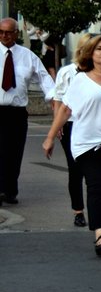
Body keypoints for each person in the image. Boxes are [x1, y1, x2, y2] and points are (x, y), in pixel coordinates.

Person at [41, 34, 101, 256]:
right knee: (96, 185)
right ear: (90, 53)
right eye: (99, 48)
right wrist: (50, 137)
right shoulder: (81, 80)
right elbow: (65, 109)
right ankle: (100, 234)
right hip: (88, 143)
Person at [0, 17, 55, 204]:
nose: (4, 36)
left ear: (16, 33)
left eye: (8, 32)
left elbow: (44, 78)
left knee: (14, 152)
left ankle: (10, 190)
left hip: (17, 113)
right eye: (1, 32)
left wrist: (54, 99)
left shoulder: (28, 56)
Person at [49, 59, 86, 226]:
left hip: (94, 125)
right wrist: (57, 125)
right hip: (70, 124)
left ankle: (99, 210)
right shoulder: (67, 72)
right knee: (75, 168)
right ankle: (78, 211)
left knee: (97, 172)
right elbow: (58, 100)